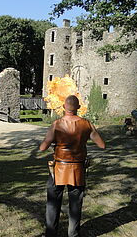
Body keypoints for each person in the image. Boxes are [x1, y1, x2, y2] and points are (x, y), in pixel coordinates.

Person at [39, 95, 106, 237]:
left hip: (58, 170)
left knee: (53, 203)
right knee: (75, 204)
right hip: (77, 170)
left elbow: (42, 148)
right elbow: (102, 144)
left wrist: (51, 141)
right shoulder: (87, 124)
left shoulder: (56, 124)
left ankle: (51, 234)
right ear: (79, 108)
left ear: (64, 107)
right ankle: (73, 234)